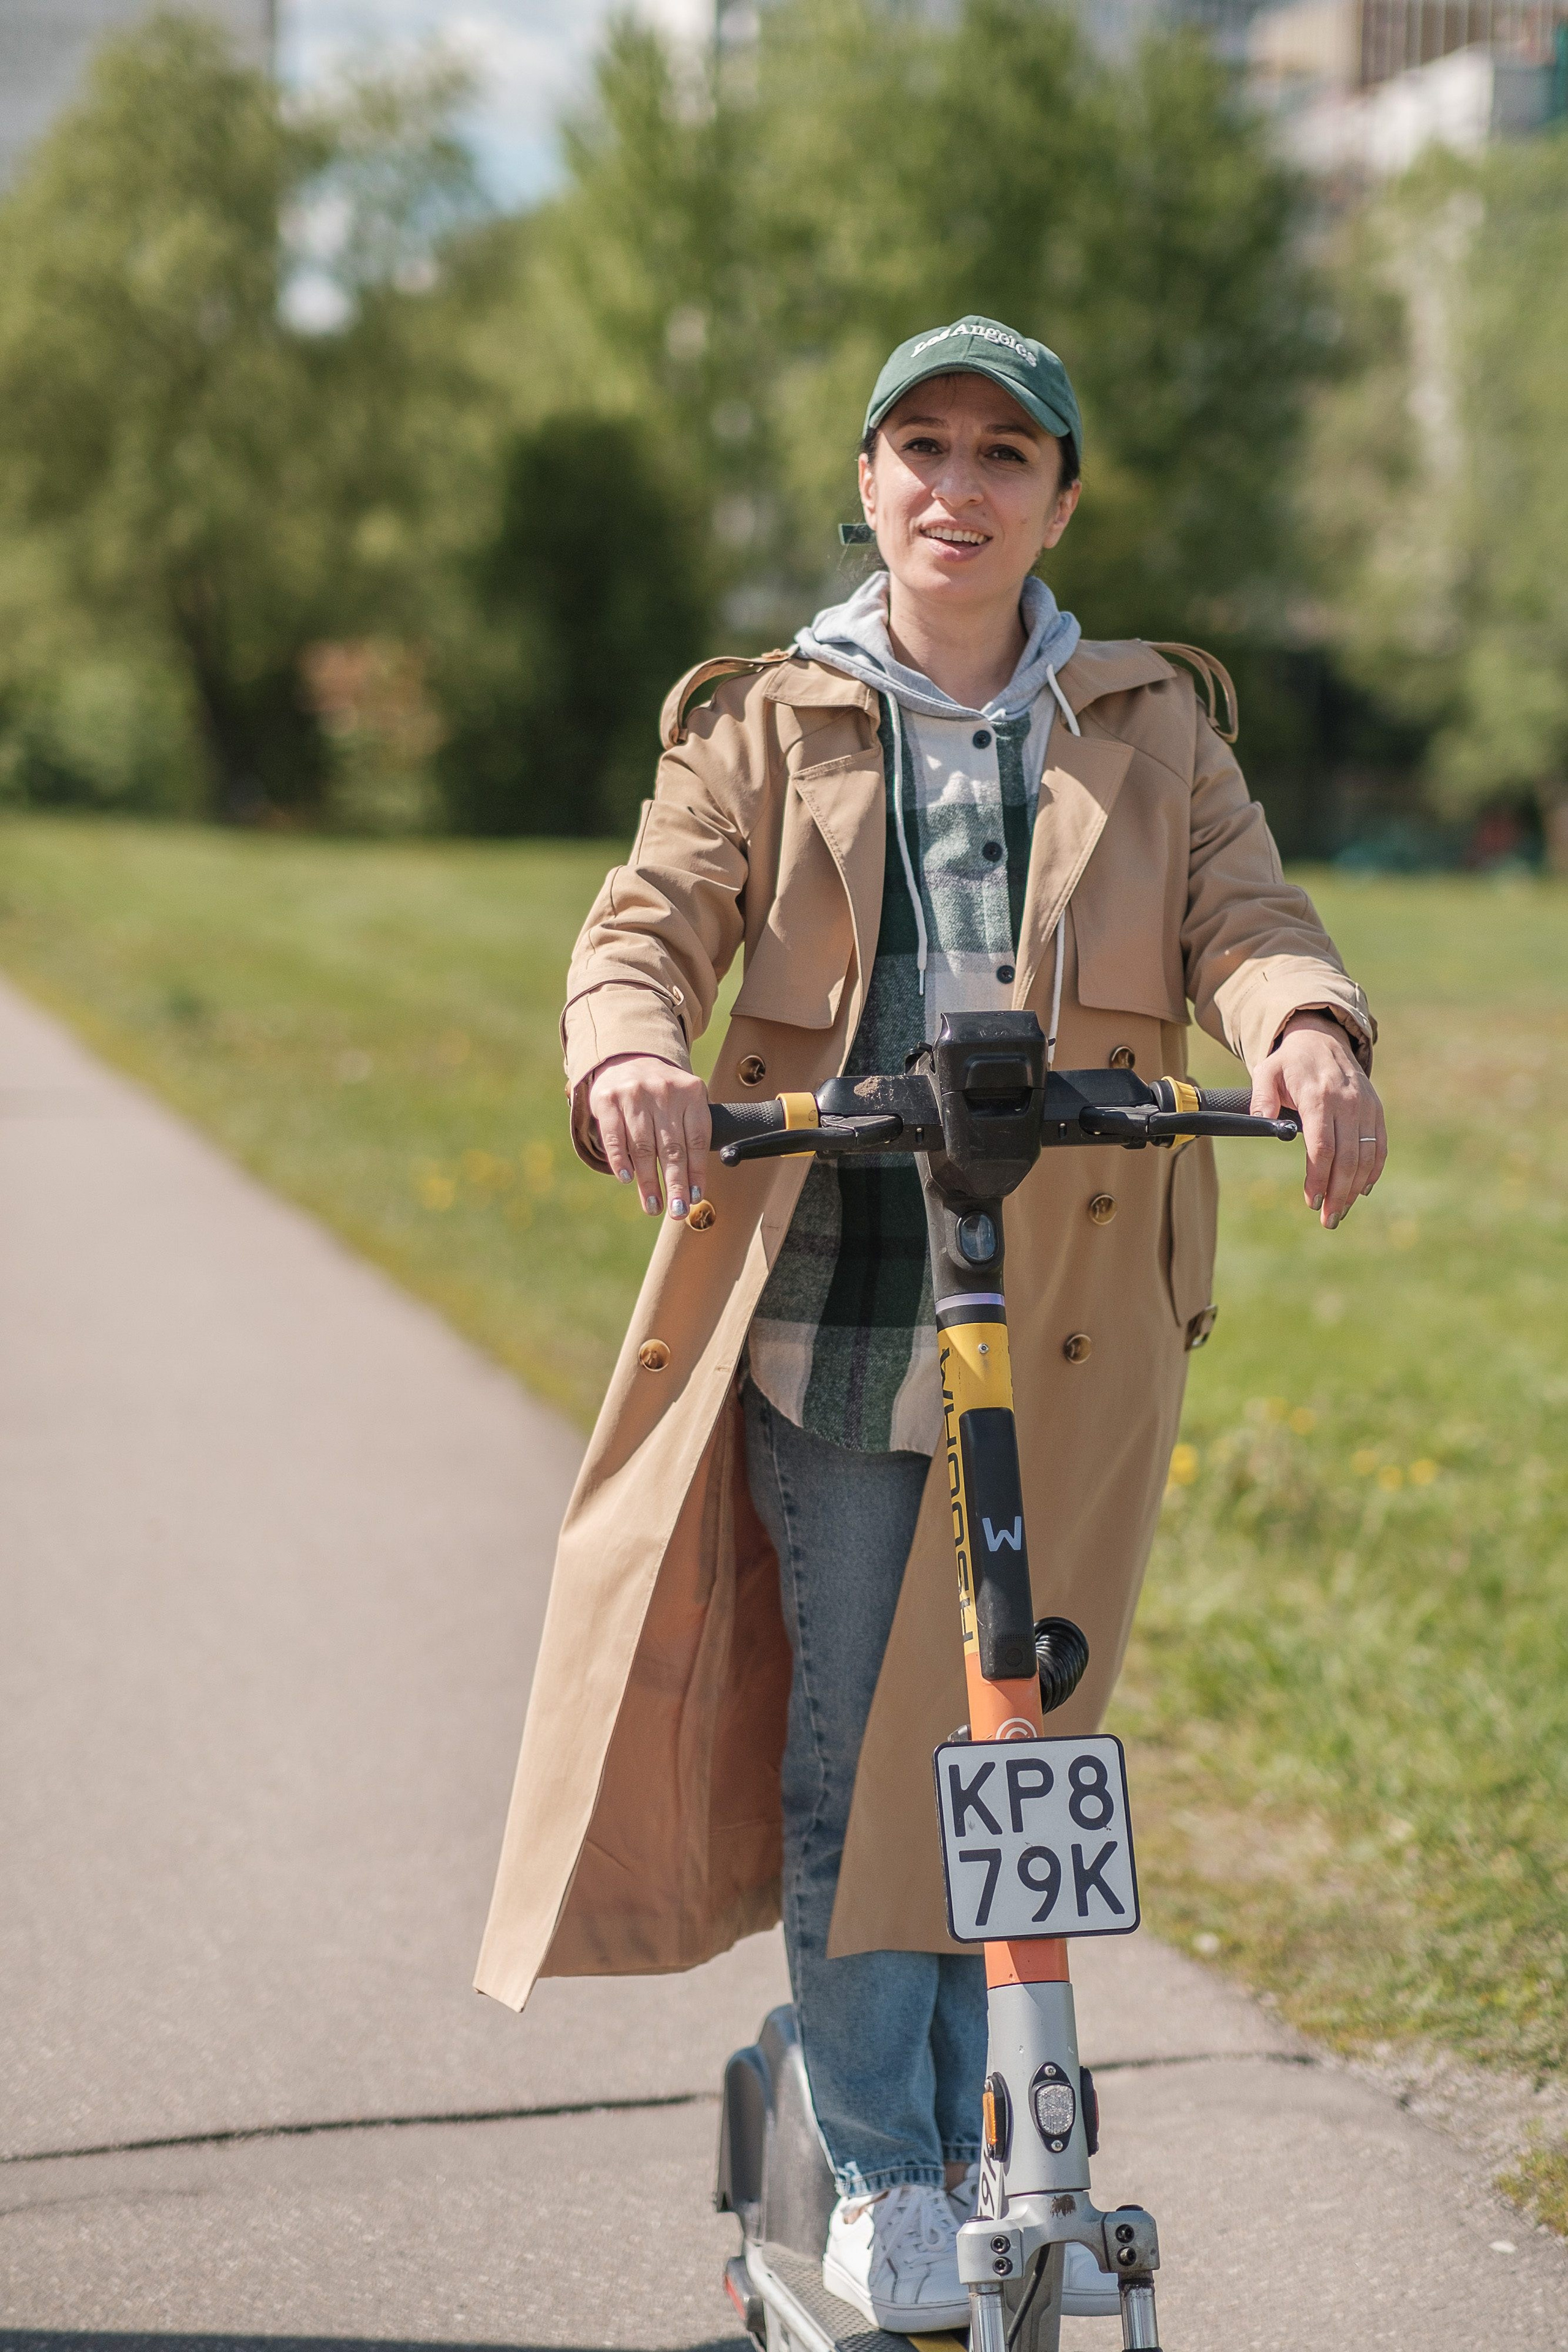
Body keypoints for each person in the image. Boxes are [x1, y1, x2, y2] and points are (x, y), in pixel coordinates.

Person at [475, 316, 1385, 2332]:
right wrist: (629, 1047)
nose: (958, 489)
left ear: (1061, 499)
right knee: (861, 1771)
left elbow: (1247, 915)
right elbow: (651, 919)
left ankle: (995, 2144)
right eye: (922, 450)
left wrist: (1309, 1031)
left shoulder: (1150, 723)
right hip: (839, 1308)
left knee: (1016, 1759)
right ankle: (892, 2170)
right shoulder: (764, 722)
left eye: (1004, 455)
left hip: (1068, 1327)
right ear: (869, 485)